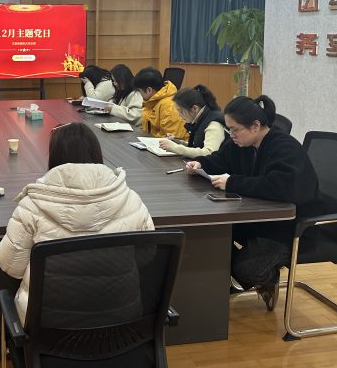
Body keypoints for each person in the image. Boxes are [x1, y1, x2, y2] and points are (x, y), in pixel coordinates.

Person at [0, 122, 154, 325]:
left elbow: (11, 267)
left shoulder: (33, 205)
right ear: (97, 154)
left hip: (48, 325)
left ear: (55, 157)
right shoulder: (131, 199)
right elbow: (146, 255)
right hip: (120, 321)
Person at [184, 95, 323, 310]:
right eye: (229, 129)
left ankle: (267, 278)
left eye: (235, 129)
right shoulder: (241, 143)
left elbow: (281, 187)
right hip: (260, 217)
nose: (231, 135)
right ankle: (216, 283)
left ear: (255, 126)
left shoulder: (285, 147)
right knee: (210, 235)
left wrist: (232, 182)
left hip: (291, 226)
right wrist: (200, 164)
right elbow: (221, 159)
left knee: (247, 269)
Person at [158, 84, 226, 157]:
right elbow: (197, 145)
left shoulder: (214, 124)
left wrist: (176, 148)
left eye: (181, 111)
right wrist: (176, 142)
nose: (179, 115)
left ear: (194, 108)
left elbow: (209, 153)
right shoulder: (201, 118)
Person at [132, 67, 187, 139]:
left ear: (149, 90)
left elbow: (171, 138)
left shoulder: (169, 106)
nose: (140, 95)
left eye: (140, 92)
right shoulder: (151, 102)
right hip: (152, 141)